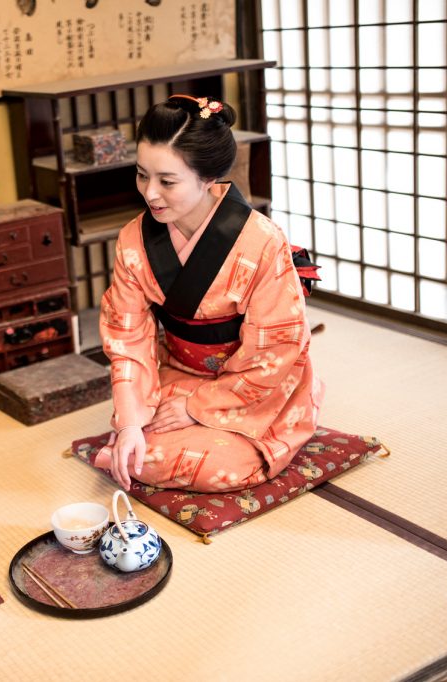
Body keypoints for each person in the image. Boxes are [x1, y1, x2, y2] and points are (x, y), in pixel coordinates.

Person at [95, 95, 324, 493]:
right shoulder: (134, 239)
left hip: (253, 387)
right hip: (181, 371)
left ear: (207, 178)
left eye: (167, 181)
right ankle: (140, 439)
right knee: (137, 437)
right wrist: (132, 421)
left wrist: (195, 407)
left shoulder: (261, 242)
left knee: (217, 465)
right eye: (141, 175)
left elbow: (277, 349)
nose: (150, 194)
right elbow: (127, 337)